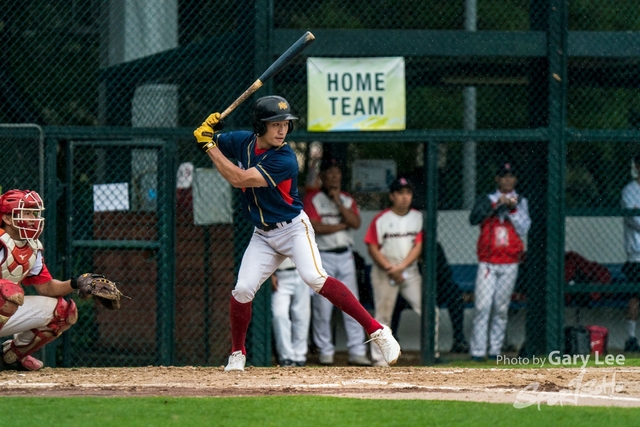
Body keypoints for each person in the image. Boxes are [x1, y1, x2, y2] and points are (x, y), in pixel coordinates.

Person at [193, 95, 401, 371]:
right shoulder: (243, 141)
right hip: (263, 235)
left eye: (285, 124)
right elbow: (211, 139)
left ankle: (378, 332)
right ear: (260, 126)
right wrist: (209, 131)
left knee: (315, 278)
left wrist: (207, 144)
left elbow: (238, 178)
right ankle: (237, 353)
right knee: (242, 289)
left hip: (292, 229)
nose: (282, 130)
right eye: (275, 124)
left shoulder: (285, 158)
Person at [0, 189, 79, 371]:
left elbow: (47, 288)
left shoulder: (31, 248)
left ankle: (10, 357)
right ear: (8, 219)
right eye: (26, 212)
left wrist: (77, 283)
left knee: (63, 312)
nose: (32, 218)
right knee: (7, 291)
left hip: (4, 303)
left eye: (34, 213)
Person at [303, 157, 371, 366]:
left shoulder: (347, 199)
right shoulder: (313, 198)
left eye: (337, 172)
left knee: (352, 303)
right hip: (322, 256)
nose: (334, 176)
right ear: (322, 177)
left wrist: (338, 203)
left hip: (345, 256)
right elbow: (315, 227)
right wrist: (342, 226)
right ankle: (325, 352)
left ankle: (357, 351)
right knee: (322, 307)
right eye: (329, 172)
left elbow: (356, 222)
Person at [468, 161, 531, 361]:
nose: (507, 180)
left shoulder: (521, 201)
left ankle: (495, 350)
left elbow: (524, 228)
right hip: (488, 261)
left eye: (511, 176)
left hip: (510, 261)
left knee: (501, 308)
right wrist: (497, 205)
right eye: (503, 176)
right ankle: (478, 351)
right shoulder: (487, 199)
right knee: (482, 306)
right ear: (497, 179)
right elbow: (474, 218)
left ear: (516, 179)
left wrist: (512, 209)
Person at [364, 177, 430, 366]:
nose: (404, 197)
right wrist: (390, 268)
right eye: (400, 193)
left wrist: (400, 268)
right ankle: (379, 359)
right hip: (384, 271)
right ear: (392, 196)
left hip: (409, 271)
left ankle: (432, 352)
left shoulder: (417, 217)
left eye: (408, 193)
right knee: (382, 316)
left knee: (427, 310)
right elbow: (373, 247)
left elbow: (418, 246)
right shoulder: (381, 219)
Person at [390, 242, 469, 353]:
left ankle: (459, 340)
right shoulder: (405, 247)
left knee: (454, 294)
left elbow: (445, 274)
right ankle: (391, 340)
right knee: (395, 298)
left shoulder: (434, 246)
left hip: (435, 290)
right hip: (410, 289)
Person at [270, 258, 310, 367]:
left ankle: (299, 356)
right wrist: (270, 274)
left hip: (302, 271)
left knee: (302, 315)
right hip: (280, 274)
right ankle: (286, 357)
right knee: (279, 315)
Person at [621, 153, 640, 352]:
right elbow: (634, 220)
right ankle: (631, 337)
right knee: (634, 296)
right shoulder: (629, 191)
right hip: (637, 253)